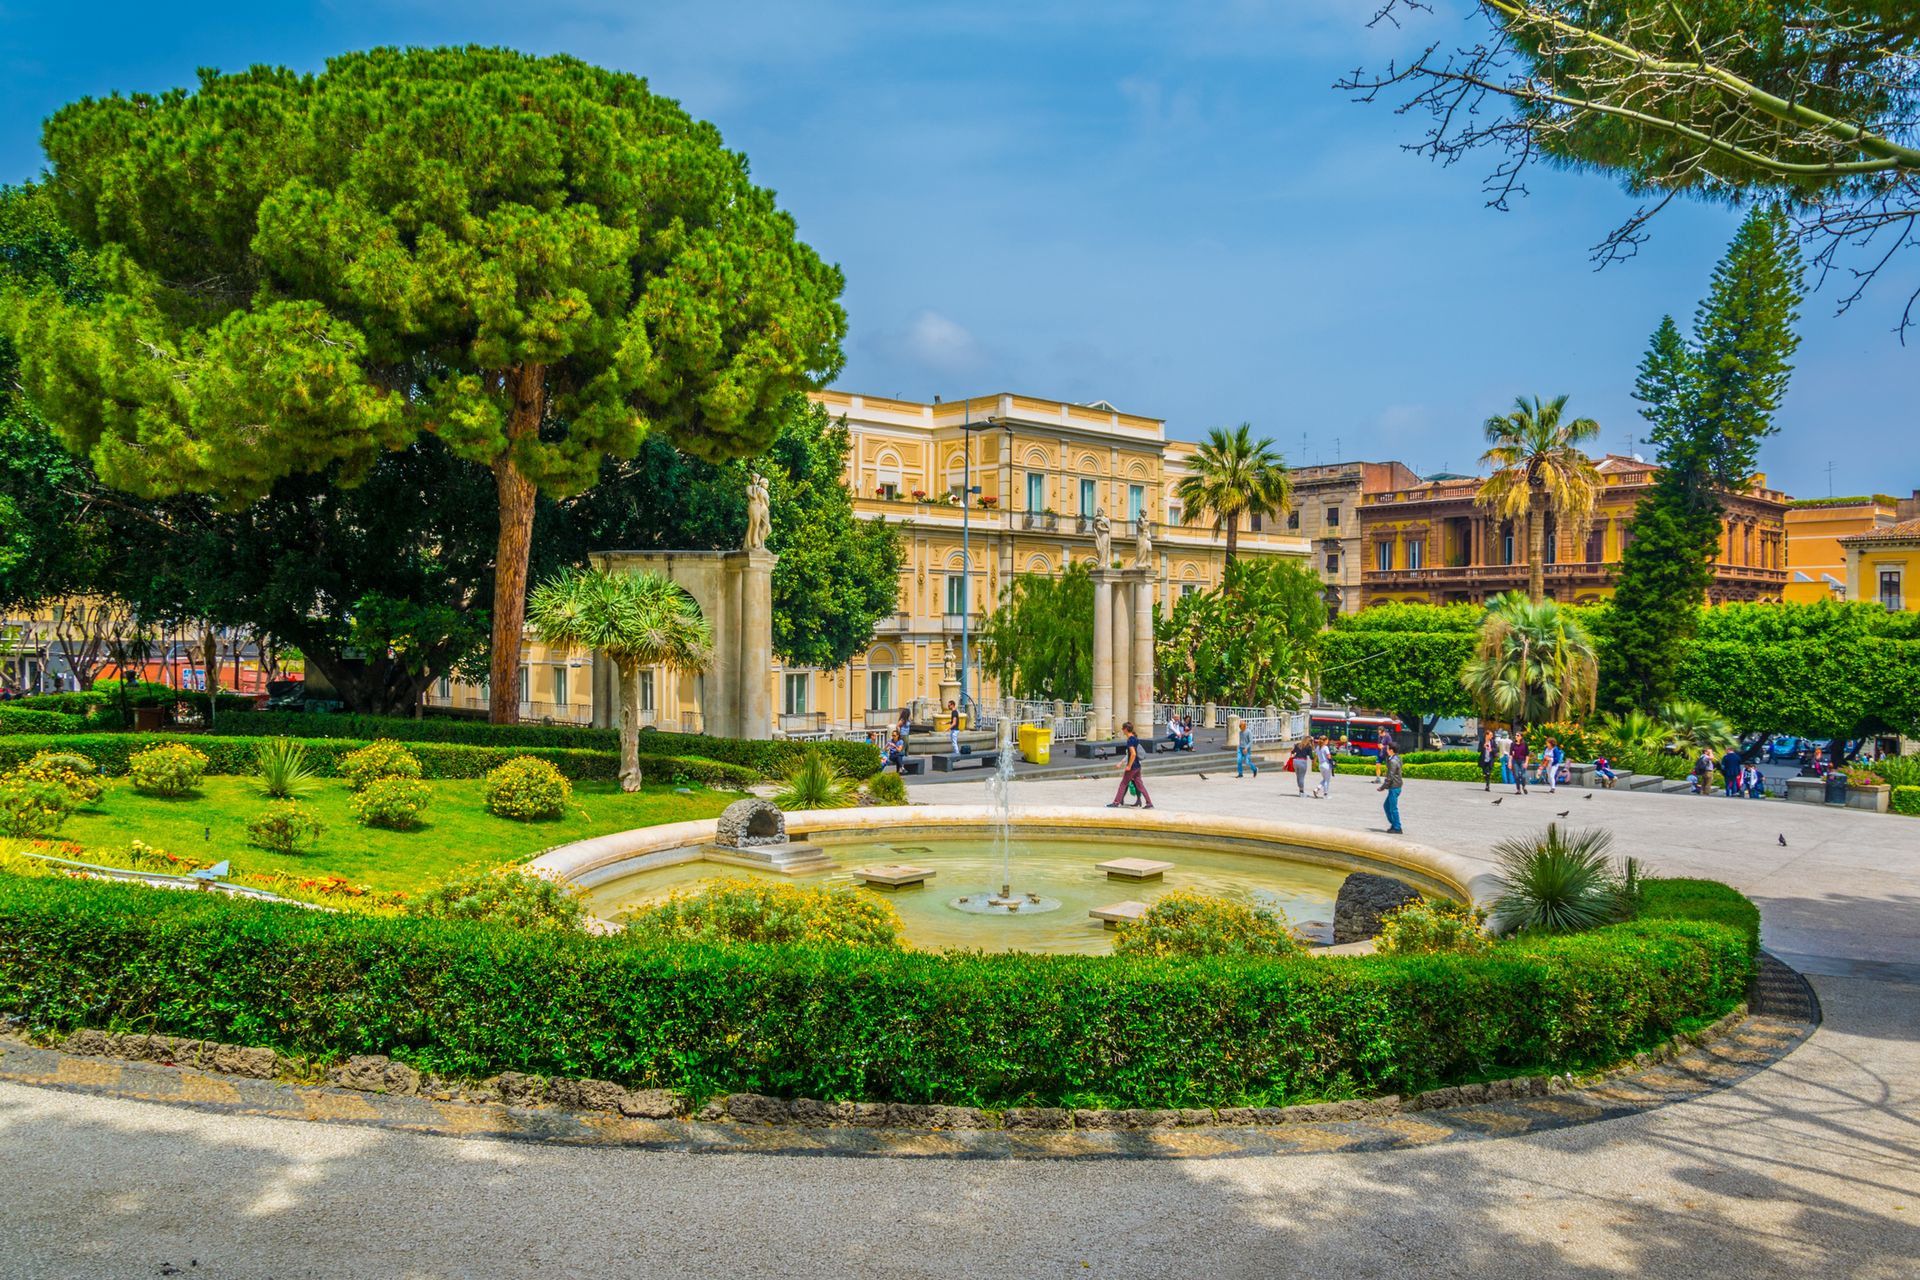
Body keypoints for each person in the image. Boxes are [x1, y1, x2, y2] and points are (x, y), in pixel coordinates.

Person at [1108, 721, 1152, 809]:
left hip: (1132, 767)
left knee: (1123, 784)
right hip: (1137, 766)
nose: (1122, 730)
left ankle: (1116, 802)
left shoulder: (1130, 740)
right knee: (1140, 785)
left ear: (1125, 729)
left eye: (1123, 729)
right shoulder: (1135, 739)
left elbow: (1133, 754)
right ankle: (1149, 803)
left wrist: (1129, 766)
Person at [1377, 741, 1404, 834]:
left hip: (1394, 787)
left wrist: (1382, 787)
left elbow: (1390, 776)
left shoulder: (1393, 761)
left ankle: (1397, 827)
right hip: (1396, 786)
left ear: (1391, 750)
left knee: (1393, 808)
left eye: (1387, 748)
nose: (1386, 749)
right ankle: (1394, 824)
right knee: (1387, 806)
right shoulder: (1396, 758)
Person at [1508, 730, 1529, 795]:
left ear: (1521, 737)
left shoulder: (1525, 744)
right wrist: (1510, 762)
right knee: (1516, 775)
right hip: (1515, 761)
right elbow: (1511, 754)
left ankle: (1523, 786)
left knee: (1523, 776)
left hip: (1522, 761)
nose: (1516, 736)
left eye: (1518, 735)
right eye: (1516, 735)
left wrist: (1526, 763)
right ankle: (1518, 790)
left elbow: (1527, 755)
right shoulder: (1513, 744)